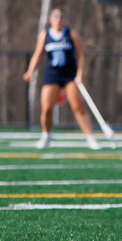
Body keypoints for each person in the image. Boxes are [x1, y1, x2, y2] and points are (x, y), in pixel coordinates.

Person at [23, 8, 102, 150]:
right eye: (55, 16)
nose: (58, 19)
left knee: (78, 107)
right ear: (50, 20)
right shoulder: (44, 36)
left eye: (61, 17)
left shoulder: (71, 35)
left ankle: (91, 138)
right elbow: (37, 54)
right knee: (47, 109)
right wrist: (30, 71)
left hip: (69, 76)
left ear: (65, 19)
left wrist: (79, 74)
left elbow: (82, 55)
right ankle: (46, 135)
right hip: (52, 75)